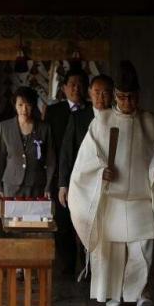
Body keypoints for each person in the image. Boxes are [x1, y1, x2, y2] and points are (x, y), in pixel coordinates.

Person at [68, 61, 154, 306]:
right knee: (112, 251)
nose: (128, 103)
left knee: (142, 248)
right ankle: (113, 293)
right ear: (116, 96)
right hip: (114, 198)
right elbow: (85, 161)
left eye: (132, 97)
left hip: (141, 197)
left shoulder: (150, 121)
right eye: (123, 97)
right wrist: (99, 173)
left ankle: (139, 293)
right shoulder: (101, 122)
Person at [44, 68, 89, 277]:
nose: (76, 88)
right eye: (72, 84)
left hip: (86, 177)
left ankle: (87, 266)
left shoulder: (92, 112)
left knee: (86, 224)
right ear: (64, 88)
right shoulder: (54, 112)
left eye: (80, 85)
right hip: (60, 175)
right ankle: (67, 266)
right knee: (62, 224)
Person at [58, 74, 114, 207]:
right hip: (83, 181)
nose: (101, 97)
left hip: (112, 182)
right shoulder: (78, 118)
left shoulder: (119, 118)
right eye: (96, 92)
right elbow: (66, 153)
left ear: (113, 94)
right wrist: (63, 185)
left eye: (105, 93)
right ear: (89, 92)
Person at [0, 86, 55, 199]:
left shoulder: (44, 128)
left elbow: (50, 160)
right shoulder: (5, 127)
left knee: (35, 217)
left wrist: (48, 186)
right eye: (20, 105)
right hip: (11, 186)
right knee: (12, 217)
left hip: (37, 186)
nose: (24, 109)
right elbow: (0, 159)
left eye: (28, 105)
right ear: (15, 106)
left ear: (33, 106)